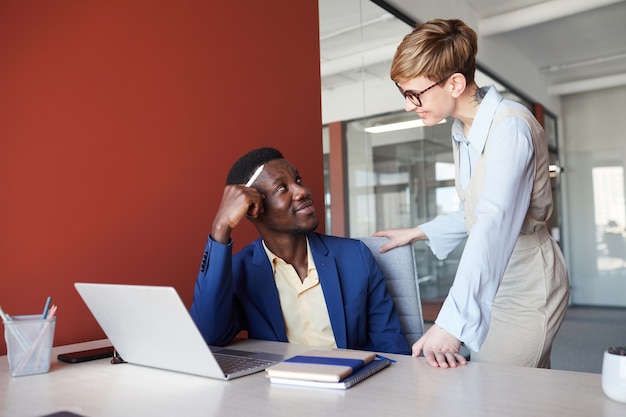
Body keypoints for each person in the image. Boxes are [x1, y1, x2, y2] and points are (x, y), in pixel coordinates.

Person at [373, 18, 570, 368]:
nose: (408, 105)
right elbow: (479, 209)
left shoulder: (510, 127)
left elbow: (495, 222)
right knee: (521, 391)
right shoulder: (463, 128)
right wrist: (419, 232)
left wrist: (450, 324)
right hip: (492, 281)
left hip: (526, 286)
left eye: (414, 94)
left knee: (499, 390)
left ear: (455, 83)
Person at [190, 147, 410, 355]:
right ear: (253, 208)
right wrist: (221, 228)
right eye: (282, 188)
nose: (303, 191)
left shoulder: (355, 257)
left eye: (298, 180)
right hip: (281, 390)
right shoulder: (241, 272)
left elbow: (391, 345)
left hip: (354, 386)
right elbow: (208, 336)